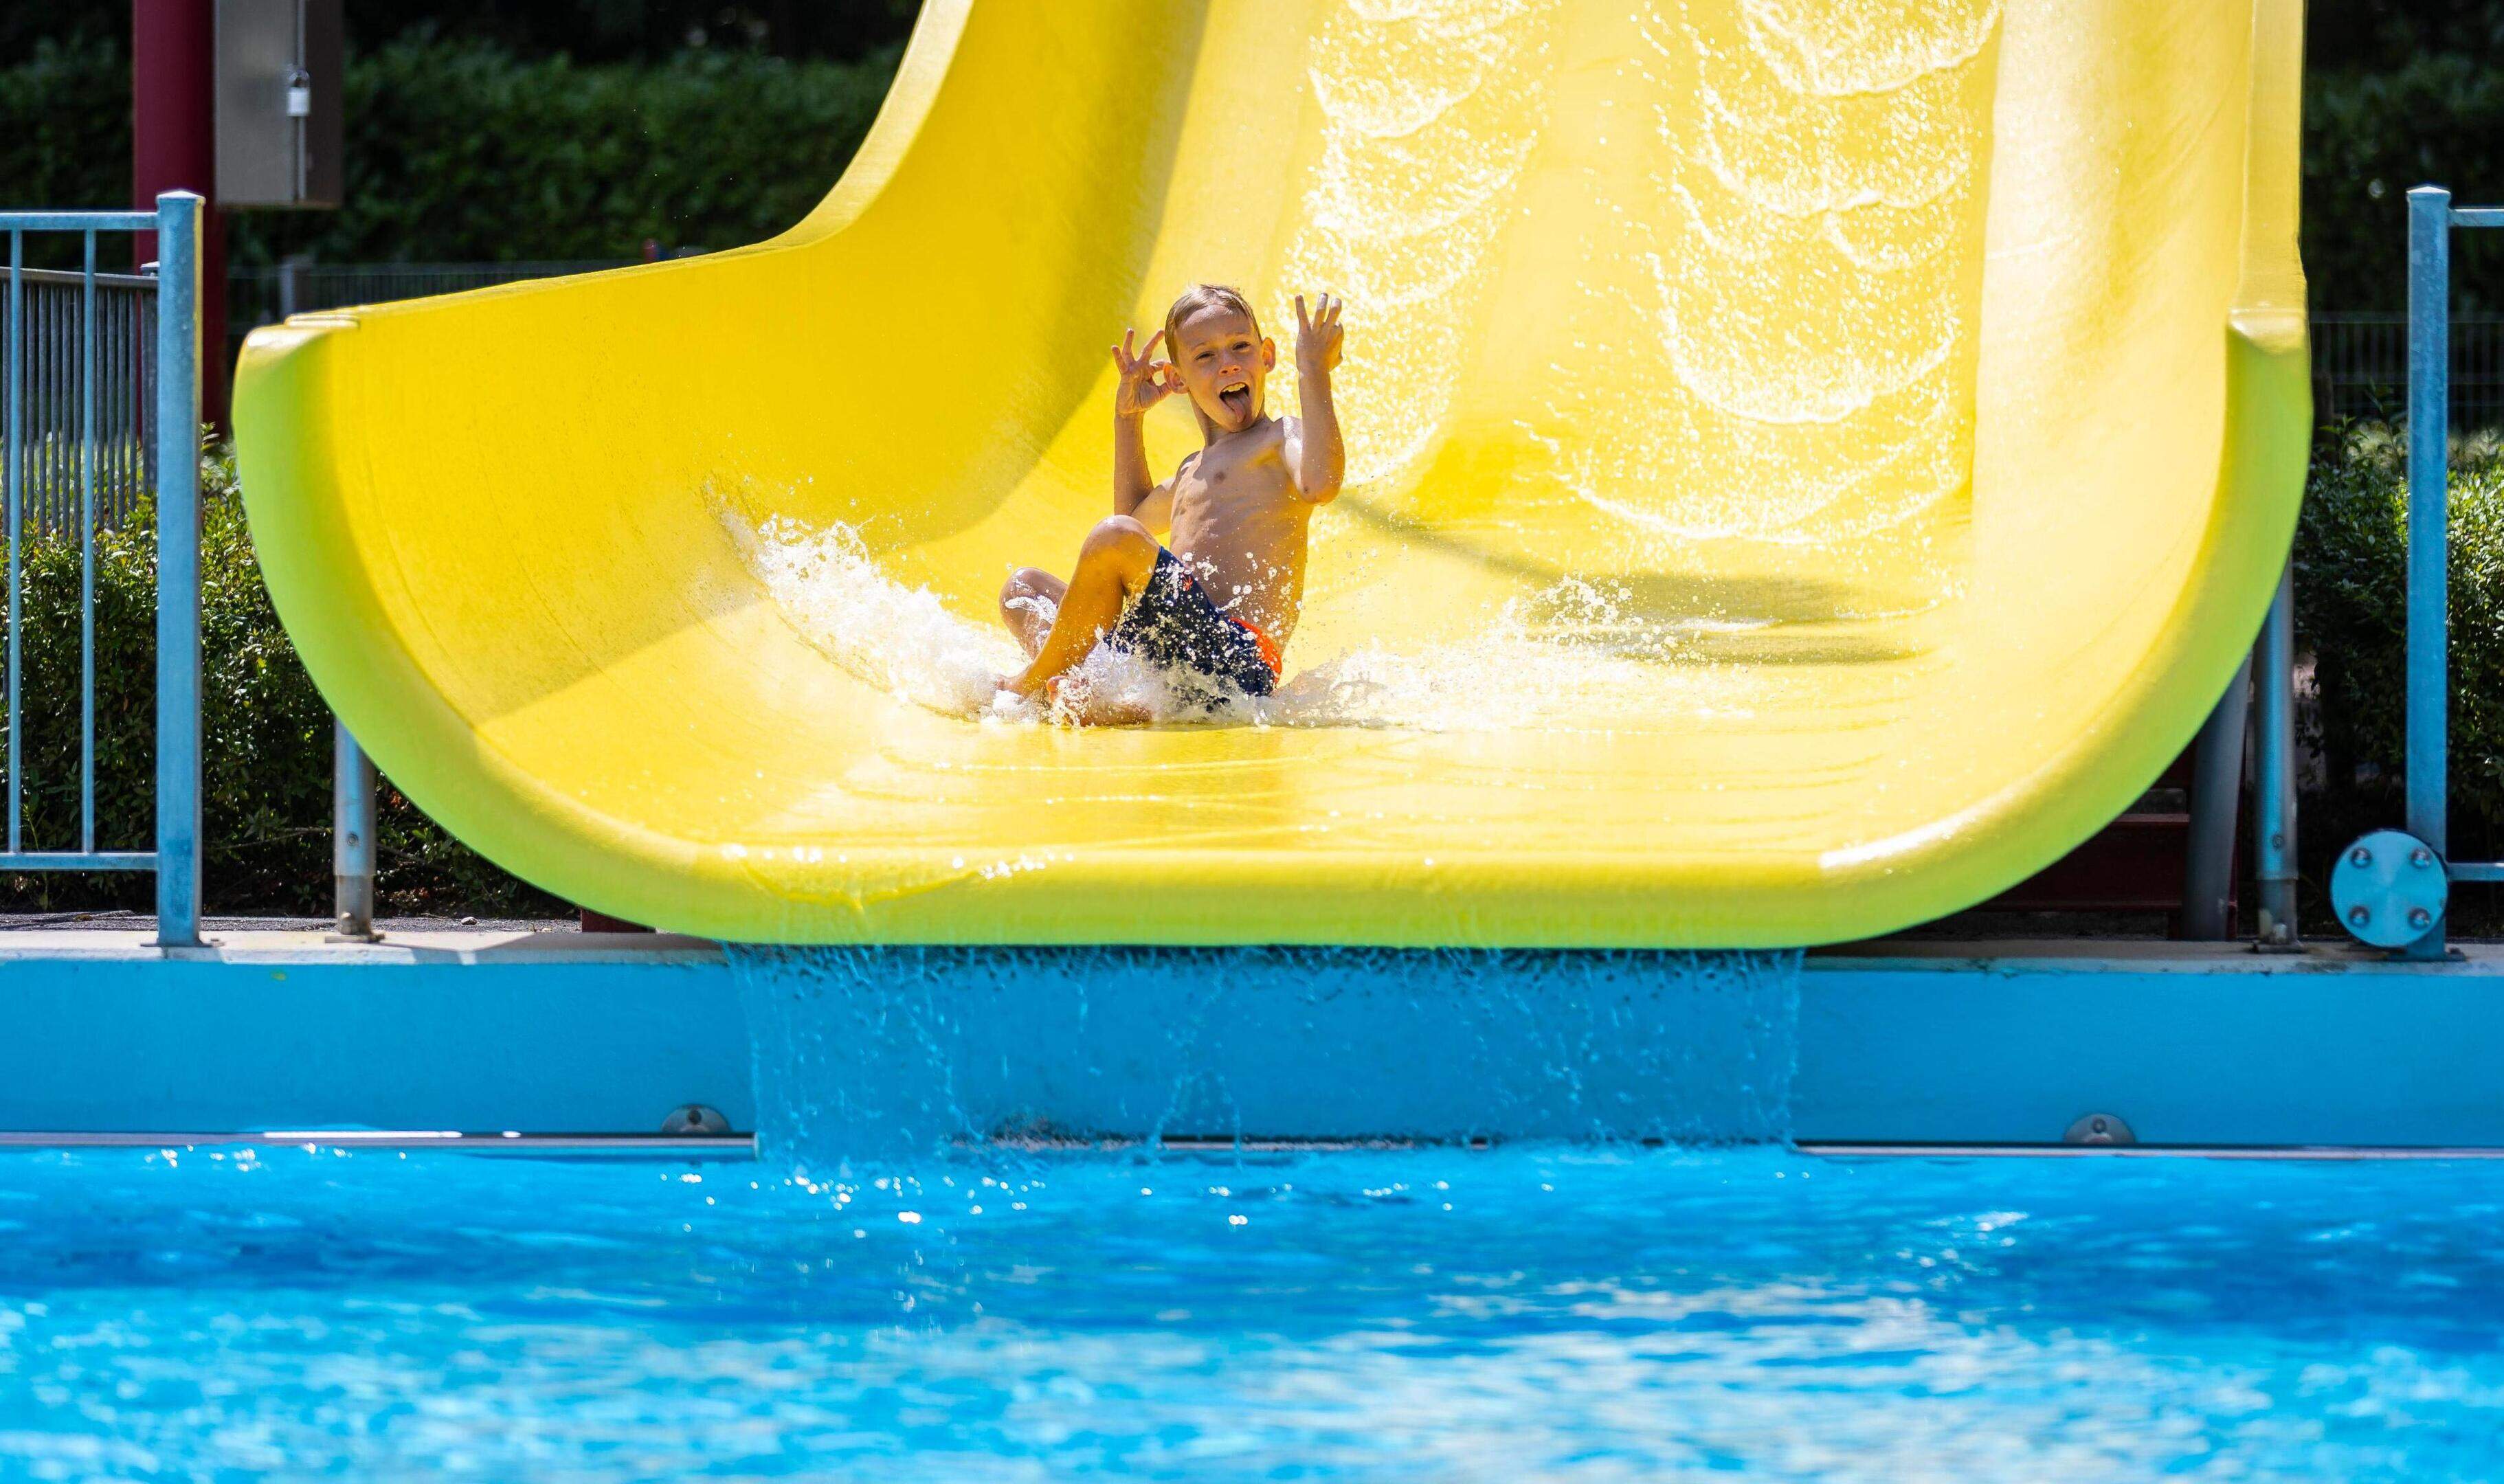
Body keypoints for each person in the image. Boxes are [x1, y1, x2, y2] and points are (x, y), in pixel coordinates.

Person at [997, 283, 1344, 723]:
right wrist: (1128, 419)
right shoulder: (1189, 471)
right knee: (1022, 591)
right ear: (1177, 380)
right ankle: (1095, 696)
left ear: (1267, 356)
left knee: (1113, 538)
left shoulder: (1279, 440)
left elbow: (1321, 485)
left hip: (1236, 659)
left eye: (1240, 347)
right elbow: (1129, 526)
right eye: (1206, 356)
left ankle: (1027, 688)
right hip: (1172, 645)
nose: (1228, 364)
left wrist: (1314, 370)